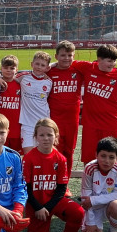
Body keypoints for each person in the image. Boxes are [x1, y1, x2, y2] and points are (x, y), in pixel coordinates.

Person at [23, 118, 85, 232]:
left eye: (49, 135)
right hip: (36, 205)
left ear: (56, 136)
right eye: (42, 135)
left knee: (78, 212)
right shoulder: (28, 158)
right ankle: (37, 225)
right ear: (35, 137)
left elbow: (62, 188)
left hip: (54, 203)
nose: (46, 138)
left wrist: (48, 208)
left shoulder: (61, 159)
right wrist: (38, 208)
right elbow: (25, 188)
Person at [76, 45, 117, 163]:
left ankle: (109, 181)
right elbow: (67, 62)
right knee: (89, 159)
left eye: (114, 61)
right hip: (90, 125)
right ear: (99, 59)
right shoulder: (87, 68)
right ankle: (91, 181)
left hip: (111, 124)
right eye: (109, 60)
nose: (113, 64)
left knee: (109, 159)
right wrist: (51, 66)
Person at [80, 137, 117, 232]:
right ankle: (94, 227)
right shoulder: (90, 168)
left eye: (111, 157)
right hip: (93, 209)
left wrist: (94, 200)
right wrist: (91, 223)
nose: (107, 161)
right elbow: (86, 199)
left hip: (109, 206)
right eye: (103, 156)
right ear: (96, 155)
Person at [46, 41, 82, 177]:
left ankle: (64, 182)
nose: (66, 58)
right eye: (63, 55)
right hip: (55, 120)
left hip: (72, 120)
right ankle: (53, 179)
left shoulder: (78, 70)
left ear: (74, 56)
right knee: (55, 150)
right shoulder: (49, 71)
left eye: (69, 55)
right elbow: (31, 75)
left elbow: (97, 68)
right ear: (56, 56)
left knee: (69, 151)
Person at [19, 51, 53, 154]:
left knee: (43, 154)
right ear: (31, 64)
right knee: (28, 154)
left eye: (43, 65)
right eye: (37, 64)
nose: (39, 67)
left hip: (43, 123)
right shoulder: (22, 78)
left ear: (47, 68)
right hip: (27, 123)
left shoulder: (49, 82)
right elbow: (7, 78)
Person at [0, 55, 22, 152]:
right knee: (0, 153)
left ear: (17, 70)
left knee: (15, 155)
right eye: (5, 68)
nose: (8, 70)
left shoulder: (20, 84)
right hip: (0, 127)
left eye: (12, 68)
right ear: (1, 69)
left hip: (16, 126)